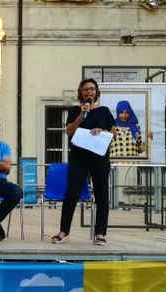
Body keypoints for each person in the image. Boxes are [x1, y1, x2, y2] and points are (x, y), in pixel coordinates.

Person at [51, 78, 115, 246]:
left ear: (96, 92)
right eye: (85, 89)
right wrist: (82, 115)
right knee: (72, 193)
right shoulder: (74, 111)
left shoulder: (104, 111)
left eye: (92, 89)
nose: (89, 92)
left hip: (99, 158)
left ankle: (100, 233)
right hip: (79, 158)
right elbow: (69, 132)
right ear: (80, 93)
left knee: (101, 194)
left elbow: (114, 133)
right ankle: (63, 231)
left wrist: (101, 131)